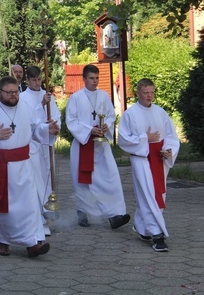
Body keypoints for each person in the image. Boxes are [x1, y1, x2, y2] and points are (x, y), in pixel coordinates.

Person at [0, 76, 53, 258]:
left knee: (30, 204)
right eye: (9, 92)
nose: (14, 96)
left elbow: (36, 128)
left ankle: (33, 243)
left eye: (16, 92)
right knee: (4, 207)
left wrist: (48, 130)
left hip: (23, 164)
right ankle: (4, 241)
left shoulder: (25, 107)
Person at [118, 78, 180, 252]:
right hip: (141, 159)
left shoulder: (160, 112)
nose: (149, 96)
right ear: (138, 93)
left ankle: (141, 226)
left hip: (159, 159)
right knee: (148, 195)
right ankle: (157, 234)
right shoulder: (130, 114)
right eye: (146, 93)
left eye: (152, 92)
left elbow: (170, 135)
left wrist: (168, 150)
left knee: (156, 194)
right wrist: (145, 139)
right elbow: (123, 140)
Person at [66, 64, 130, 229]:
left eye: (96, 78)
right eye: (91, 78)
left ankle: (115, 215)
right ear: (84, 79)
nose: (95, 82)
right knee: (83, 182)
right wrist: (89, 129)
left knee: (110, 179)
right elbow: (71, 121)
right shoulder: (76, 98)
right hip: (83, 145)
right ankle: (82, 212)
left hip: (101, 147)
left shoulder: (103, 95)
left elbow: (110, 115)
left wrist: (105, 126)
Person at [19, 65, 61, 236]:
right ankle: (39, 219)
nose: (37, 83)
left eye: (39, 79)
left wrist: (55, 125)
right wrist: (41, 105)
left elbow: (56, 115)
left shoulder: (48, 96)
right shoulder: (23, 98)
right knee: (37, 181)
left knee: (48, 178)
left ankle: (48, 214)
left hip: (47, 143)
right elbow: (28, 121)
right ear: (27, 80)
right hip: (34, 146)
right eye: (34, 80)